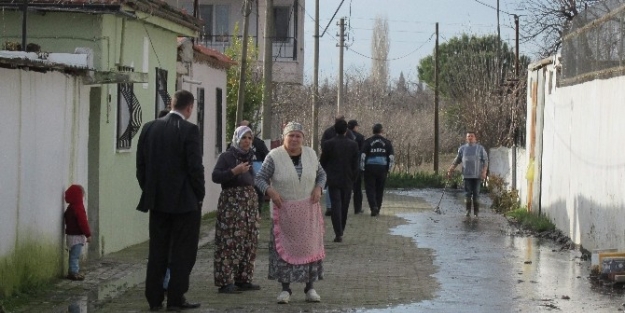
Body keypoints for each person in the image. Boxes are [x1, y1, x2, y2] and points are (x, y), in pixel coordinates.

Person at [136, 90, 204, 312]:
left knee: (157, 250)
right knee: (183, 252)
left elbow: (141, 166)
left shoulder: (149, 128)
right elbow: (195, 167)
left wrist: (149, 190)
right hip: (184, 202)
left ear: (171, 104)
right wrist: (199, 195)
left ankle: (154, 298)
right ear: (189, 107)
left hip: (157, 201)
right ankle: (175, 298)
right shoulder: (189, 130)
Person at [254, 122, 326, 304]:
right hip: (284, 211)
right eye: (290, 135)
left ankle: (310, 288)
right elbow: (260, 178)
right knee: (284, 250)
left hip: (308, 211)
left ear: (303, 138)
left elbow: (322, 175)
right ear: (284, 137)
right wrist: (270, 192)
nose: (294, 139)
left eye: (298, 136)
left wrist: (318, 188)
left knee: (310, 248)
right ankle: (285, 289)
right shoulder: (274, 156)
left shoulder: (310, 154)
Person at [211, 126, 261, 294]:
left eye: (249, 138)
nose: (246, 141)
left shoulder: (250, 157)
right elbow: (216, 176)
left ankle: (244, 278)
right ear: (236, 139)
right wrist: (234, 171)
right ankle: (225, 281)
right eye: (243, 138)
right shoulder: (227, 156)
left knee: (249, 240)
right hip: (232, 205)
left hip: (249, 204)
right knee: (229, 242)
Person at [319, 119, 359, 242]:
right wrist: (353, 178)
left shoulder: (328, 144)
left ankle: (338, 232)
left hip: (333, 178)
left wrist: (323, 177)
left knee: (336, 204)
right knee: (345, 205)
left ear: (334, 130)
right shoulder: (353, 144)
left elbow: (322, 162)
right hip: (347, 179)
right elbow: (355, 164)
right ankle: (341, 228)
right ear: (346, 130)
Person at [447, 131, 489, 218]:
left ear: (475, 138)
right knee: (467, 194)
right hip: (467, 175)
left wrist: (484, 172)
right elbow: (457, 160)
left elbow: (485, 161)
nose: (470, 138)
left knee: (476, 193)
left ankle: (476, 212)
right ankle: (468, 211)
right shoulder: (462, 149)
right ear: (466, 138)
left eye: (472, 136)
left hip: (477, 176)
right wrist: (451, 168)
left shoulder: (480, 149)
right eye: (468, 136)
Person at [320, 115, 355, 216]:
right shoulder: (348, 133)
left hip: (331, 163)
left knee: (331, 186)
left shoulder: (328, 132)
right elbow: (353, 146)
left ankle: (330, 206)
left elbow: (323, 145)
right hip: (345, 164)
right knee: (342, 186)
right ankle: (339, 206)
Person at [361, 123, 395, 217]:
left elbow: (363, 156)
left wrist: (362, 168)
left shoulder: (368, 142)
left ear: (373, 131)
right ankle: (378, 208)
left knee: (370, 189)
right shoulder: (387, 143)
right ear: (381, 131)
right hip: (382, 168)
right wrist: (389, 169)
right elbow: (391, 157)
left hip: (369, 168)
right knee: (380, 189)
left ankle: (373, 207)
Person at [239, 120, 270, 213]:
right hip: (240, 182)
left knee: (257, 204)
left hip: (257, 180)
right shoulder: (233, 145)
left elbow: (267, 159)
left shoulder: (259, 143)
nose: (246, 140)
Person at [64, 184, 92, 281]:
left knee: (72, 255)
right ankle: (74, 272)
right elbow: (83, 222)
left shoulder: (69, 208)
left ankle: (72, 271)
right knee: (75, 256)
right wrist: (88, 234)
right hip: (77, 237)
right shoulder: (79, 208)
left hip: (70, 236)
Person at [347, 120, 365, 214]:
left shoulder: (343, 136)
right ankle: (357, 209)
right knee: (357, 189)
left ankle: (343, 207)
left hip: (345, 167)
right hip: (356, 166)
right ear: (354, 127)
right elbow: (363, 153)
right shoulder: (360, 137)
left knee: (345, 189)